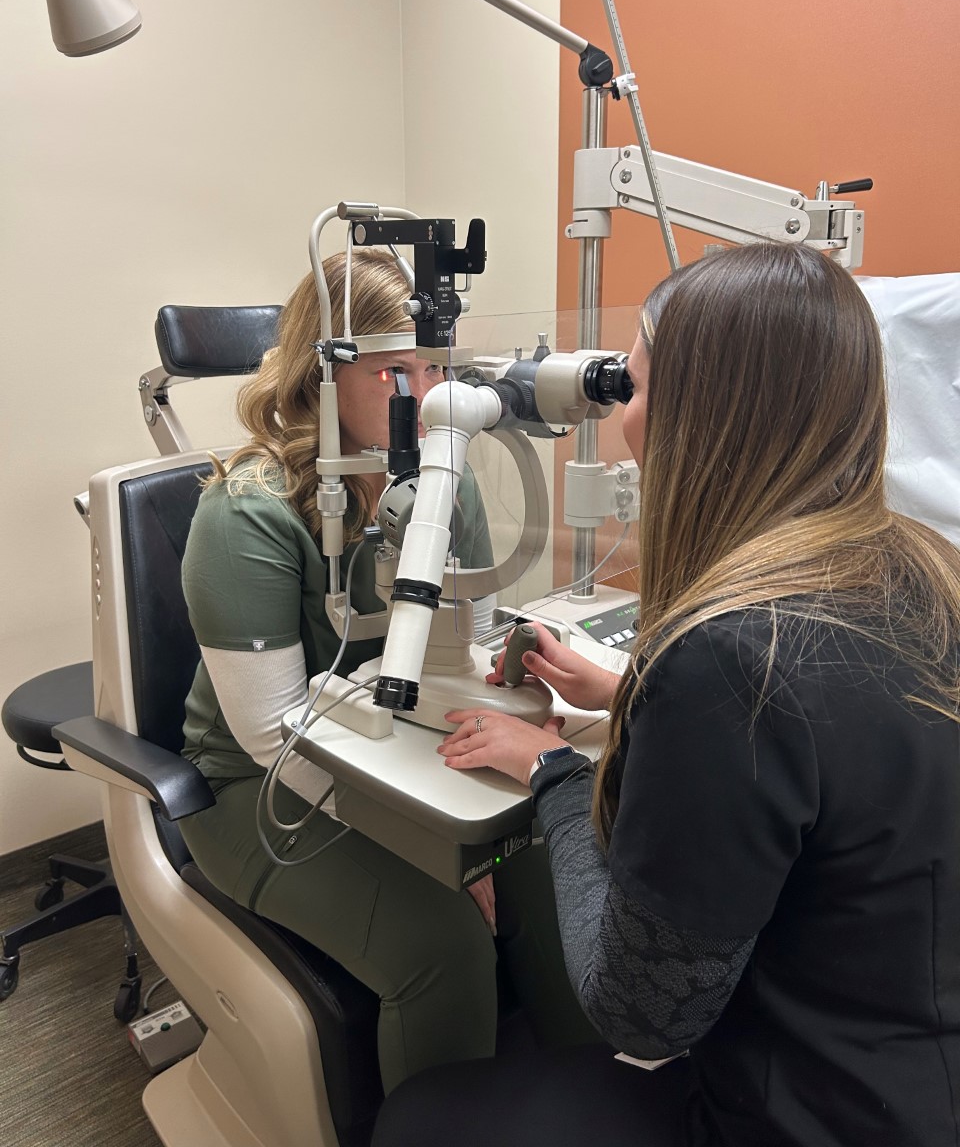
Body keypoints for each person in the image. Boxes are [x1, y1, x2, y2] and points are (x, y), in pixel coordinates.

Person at [372, 241, 960, 1146]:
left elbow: (640, 1014)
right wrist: (628, 690)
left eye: (634, 393)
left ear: (711, 421)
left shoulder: (733, 662)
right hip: (917, 1062)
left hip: (812, 1113)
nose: (617, 424)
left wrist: (559, 773)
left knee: (420, 1118)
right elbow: (842, 738)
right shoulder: (927, 566)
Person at [178, 249, 594, 1096]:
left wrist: (514, 687)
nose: (430, 396)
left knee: (557, 867)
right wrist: (442, 852)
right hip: (260, 788)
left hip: (393, 746)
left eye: (437, 368)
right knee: (440, 946)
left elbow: (464, 649)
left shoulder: (445, 476)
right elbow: (267, 736)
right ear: (319, 376)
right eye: (395, 371)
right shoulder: (245, 515)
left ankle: (582, 1097)